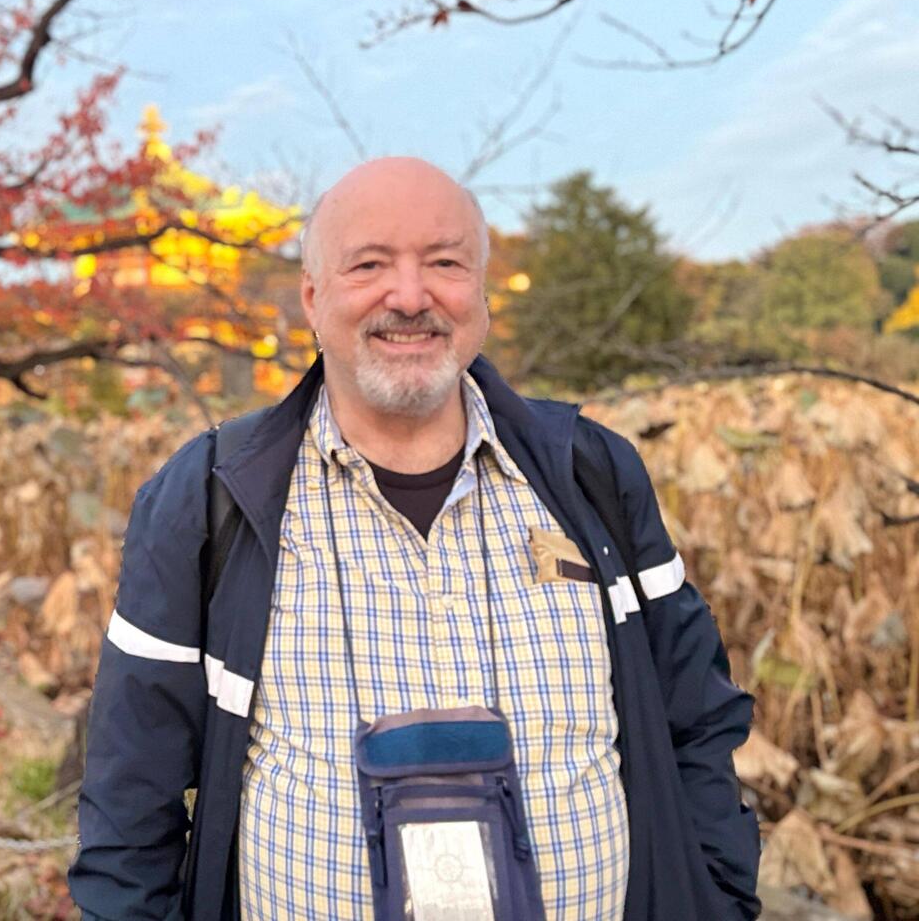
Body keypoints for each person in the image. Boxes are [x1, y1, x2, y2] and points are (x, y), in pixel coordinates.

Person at [68, 158, 759, 921]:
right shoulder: (213, 495)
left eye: (445, 263)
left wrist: (721, 898)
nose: (409, 296)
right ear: (312, 297)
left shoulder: (592, 476)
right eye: (368, 265)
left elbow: (696, 720)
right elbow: (130, 796)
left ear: (483, 292)